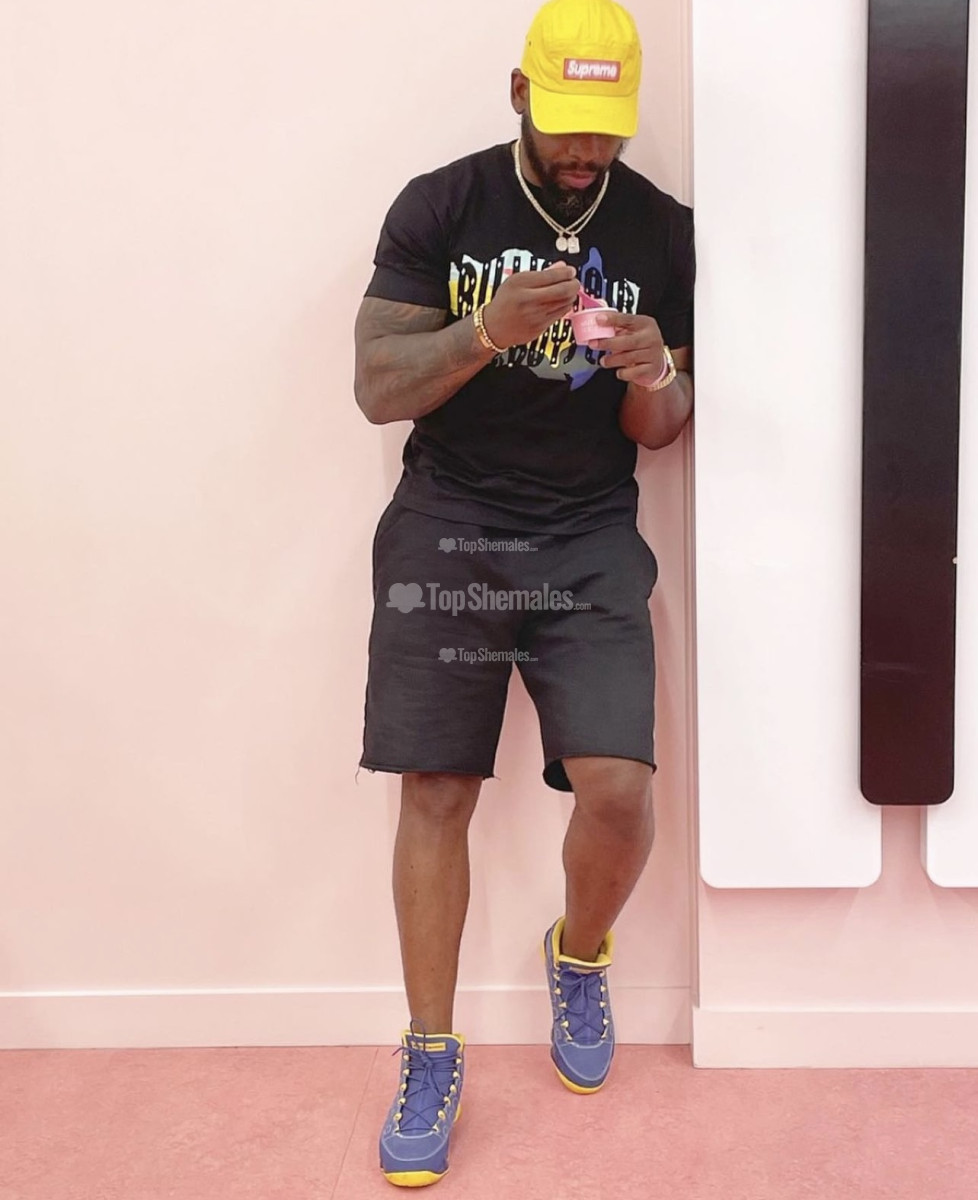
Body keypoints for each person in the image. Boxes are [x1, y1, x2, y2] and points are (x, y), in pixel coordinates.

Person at [354, 0, 694, 1186]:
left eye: (607, 127)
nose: (586, 148)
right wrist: (482, 332)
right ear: (518, 94)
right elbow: (376, 388)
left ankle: (579, 953)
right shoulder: (442, 206)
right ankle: (430, 1051)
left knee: (620, 790)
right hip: (450, 524)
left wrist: (654, 372)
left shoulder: (664, 229)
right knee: (437, 787)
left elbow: (661, 430)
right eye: (565, 122)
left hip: (588, 531)